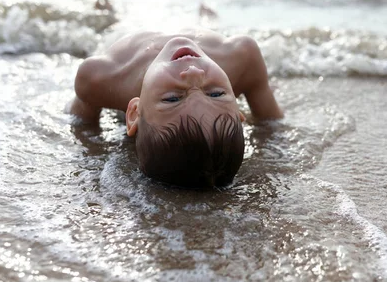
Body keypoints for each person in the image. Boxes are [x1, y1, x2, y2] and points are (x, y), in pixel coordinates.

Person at [67, 28, 283, 188]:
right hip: (195, 29)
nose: (193, 73)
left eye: (172, 98)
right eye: (215, 94)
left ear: (134, 112)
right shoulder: (242, 56)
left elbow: (82, 125)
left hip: (126, 36)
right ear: (238, 110)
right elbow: (271, 123)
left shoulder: (99, 77)